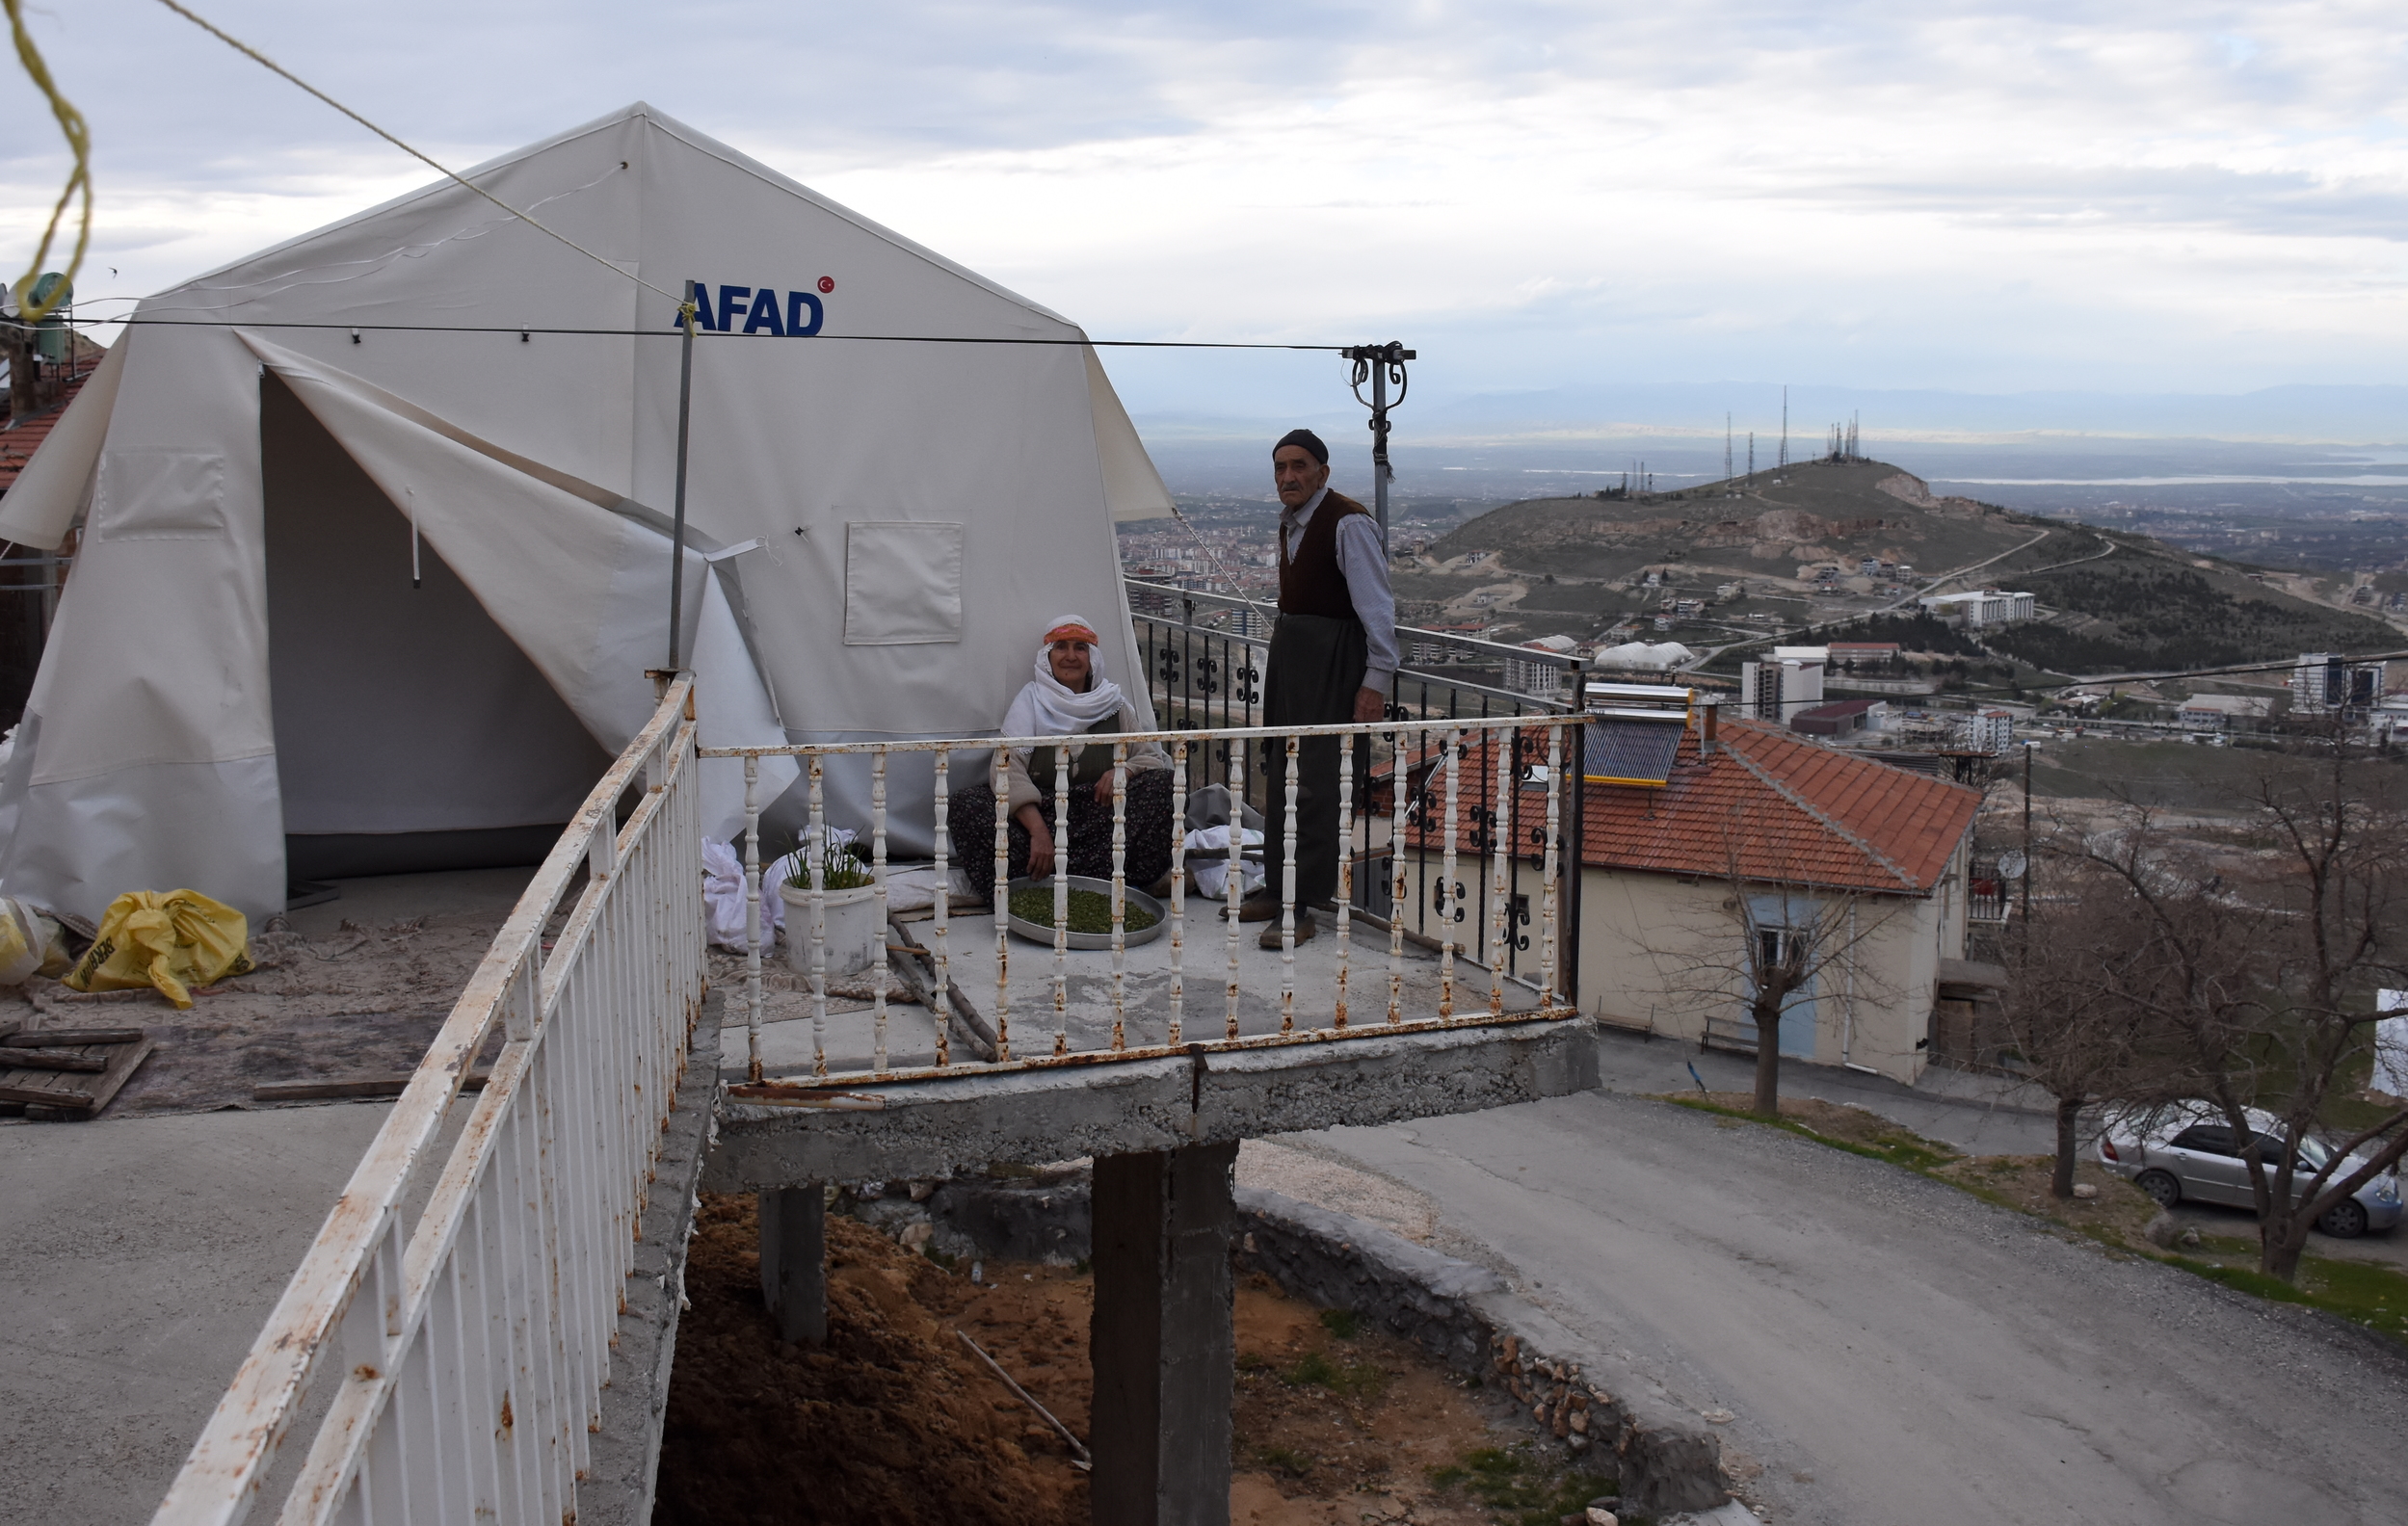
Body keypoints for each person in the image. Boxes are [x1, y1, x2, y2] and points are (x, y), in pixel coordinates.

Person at [1239, 429, 1397, 947]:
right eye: (1281, 467)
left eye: (1299, 466)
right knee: (1282, 769)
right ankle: (1277, 885)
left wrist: (1374, 683)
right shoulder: (1292, 524)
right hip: (1293, 660)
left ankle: (1301, 904)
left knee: (1318, 783)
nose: (1289, 476)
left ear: (1322, 472)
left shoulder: (1347, 522)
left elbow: (1377, 609)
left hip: (1331, 665)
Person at [948, 615, 1176, 903]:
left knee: (1165, 785)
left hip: (1100, 819)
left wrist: (1124, 772)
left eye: (1080, 647)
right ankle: (1048, 888)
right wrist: (1038, 832)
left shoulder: (1114, 704)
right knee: (965, 804)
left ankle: (1100, 884)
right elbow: (1006, 771)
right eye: (1061, 647)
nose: (1070, 656)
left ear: (1091, 657)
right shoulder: (1030, 703)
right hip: (1042, 814)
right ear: (1048, 657)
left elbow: (1150, 758)